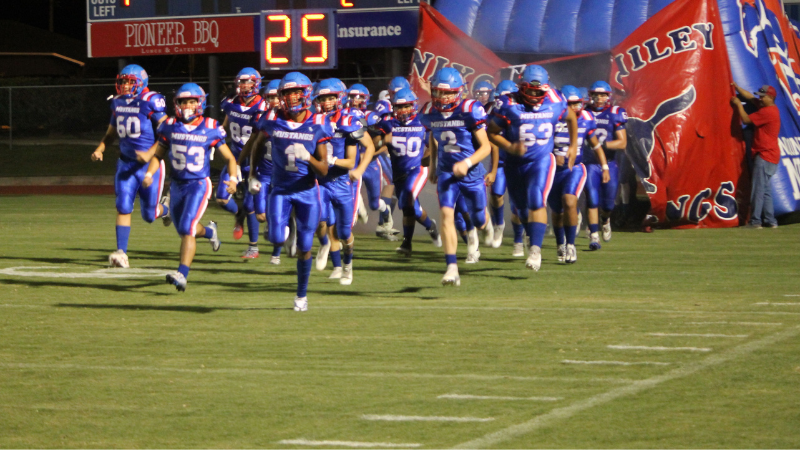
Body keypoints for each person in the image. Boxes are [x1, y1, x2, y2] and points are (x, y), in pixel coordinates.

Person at [243, 72, 331, 312]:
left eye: (296, 92)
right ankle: (285, 231)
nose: (292, 98)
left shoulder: (319, 122)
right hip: (280, 189)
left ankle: (301, 296)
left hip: (306, 191)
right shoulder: (272, 117)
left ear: (307, 94)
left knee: (304, 246)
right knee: (275, 238)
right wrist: (252, 174)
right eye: (287, 93)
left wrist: (309, 158)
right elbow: (258, 144)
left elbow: (323, 169)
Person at [141, 83, 239, 291]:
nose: (187, 105)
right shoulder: (168, 125)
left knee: (187, 227)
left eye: (192, 101)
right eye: (183, 101)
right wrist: (149, 173)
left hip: (198, 185)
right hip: (176, 185)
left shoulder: (211, 127)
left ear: (200, 103)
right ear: (177, 103)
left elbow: (230, 158)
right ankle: (211, 232)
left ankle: (182, 274)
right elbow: (158, 155)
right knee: (187, 229)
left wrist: (233, 179)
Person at [487, 65, 579, 271]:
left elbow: (571, 116)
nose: (535, 95)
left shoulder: (555, 100)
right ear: (521, 87)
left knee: (536, 199)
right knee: (520, 208)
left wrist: (572, 146)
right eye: (530, 90)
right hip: (514, 163)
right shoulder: (508, 103)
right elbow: (491, 132)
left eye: (539, 91)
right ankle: (531, 236)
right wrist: (510, 146)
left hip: (541, 160)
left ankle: (535, 250)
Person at [91, 64, 170, 269]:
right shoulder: (117, 102)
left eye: (129, 82)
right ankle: (121, 253)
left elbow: (167, 133)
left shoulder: (150, 100)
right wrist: (100, 148)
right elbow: (111, 132)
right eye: (123, 81)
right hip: (125, 164)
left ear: (141, 82)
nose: (125, 86)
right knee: (123, 205)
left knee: (149, 215)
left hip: (149, 166)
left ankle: (167, 209)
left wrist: (149, 153)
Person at [420, 67, 492, 285]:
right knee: (446, 215)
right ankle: (452, 267)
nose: (443, 97)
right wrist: (433, 165)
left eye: (449, 92)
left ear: (459, 92)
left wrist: (467, 162)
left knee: (479, 219)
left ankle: (486, 225)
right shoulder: (431, 112)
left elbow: (486, 147)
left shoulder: (469, 109)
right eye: (439, 92)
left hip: (471, 173)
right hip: (446, 173)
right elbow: (433, 135)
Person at [312, 78, 371, 285]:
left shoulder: (349, 121)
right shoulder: (312, 121)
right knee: (321, 220)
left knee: (344, 232)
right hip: (321, 181)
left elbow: (353, 160)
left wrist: (336, 161)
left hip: (342, 181)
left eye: (331, 98)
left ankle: (347, 266)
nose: (327, 102)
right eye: (323, 98)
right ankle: (330, 256)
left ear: (340, 98)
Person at [374, 87, 442, 256]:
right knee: (412, 209)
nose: (402, 110)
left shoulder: (422, 122)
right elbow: (374, 144)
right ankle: (429, 227)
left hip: (417, 169)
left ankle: (406, 243)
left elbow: (432, 144)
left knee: (408, 199)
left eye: (406, 106)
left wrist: (427, 159)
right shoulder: (388, 123)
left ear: (413, 106)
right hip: (399, 172)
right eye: (399, 107)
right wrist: (383, 140)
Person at [549, 85, 609, 263]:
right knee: (557, 211)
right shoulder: (552, 118)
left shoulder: (586, 118)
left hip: (575, 168)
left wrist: (604, 166)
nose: (576, 107)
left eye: (577, 103)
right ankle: (560, 243)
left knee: (570, 200)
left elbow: (595, 144)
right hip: (553, 170)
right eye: (571, 104)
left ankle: (571, 245)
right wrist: (552, 155)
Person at [219, 68, 268, 259]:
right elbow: (224, 125)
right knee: (222, 199)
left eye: (248, 82)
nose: (244, 86)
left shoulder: (263, 106)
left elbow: (257, 137)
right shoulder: (230, 102)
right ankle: (238, 214)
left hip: (253, 162)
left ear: (256, 83)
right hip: (234, 159)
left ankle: (253, 247)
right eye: (241, 82)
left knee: (251, 206)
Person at [346, 83, 397, 239]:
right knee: (349, 194)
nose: (356, 100)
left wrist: (373, 149)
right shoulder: (342, 114)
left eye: (360, 96)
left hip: (371, 163)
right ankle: (344, 234)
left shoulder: (370, 116)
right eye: (353, 96)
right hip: (352, 163)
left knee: (375, 204)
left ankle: (386, 211)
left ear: (366, 99)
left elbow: (387, 137)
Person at [731, 82, 781, 228]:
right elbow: (751, 97)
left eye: (763, 97)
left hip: (764, 155)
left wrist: (738, 104)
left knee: (758, 190)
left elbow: (746, 120)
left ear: (770, 97)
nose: (760, 99)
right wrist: (738, 88)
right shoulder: (769, 107)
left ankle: (755, 221)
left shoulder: (768, 112)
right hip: (771, 156)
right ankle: (771, 221)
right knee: (765, 190)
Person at [583, 80, 627, 247]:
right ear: (590, 95)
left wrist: (600, 145)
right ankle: (594, 235)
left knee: (608, 203)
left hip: (609, 162)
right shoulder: (584, 113)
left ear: (608, 96)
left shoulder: (615, 113)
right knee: (592, 198)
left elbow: (622, 143)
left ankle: (605, 219)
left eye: (603, 95)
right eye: (596, 94)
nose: (599, 98)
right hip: (589, 163)